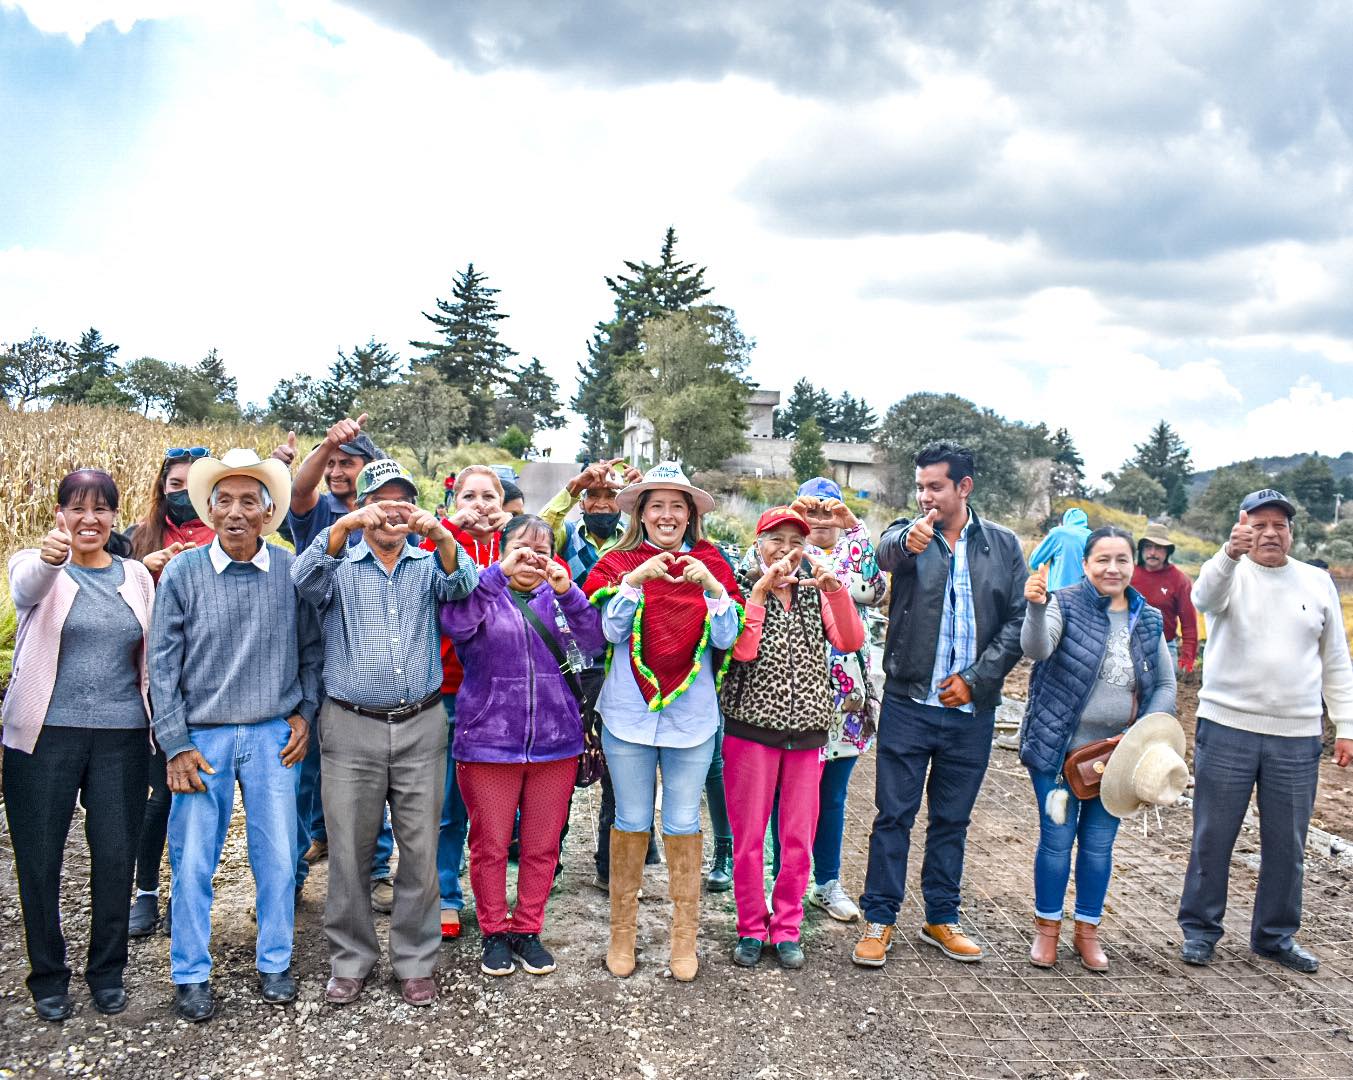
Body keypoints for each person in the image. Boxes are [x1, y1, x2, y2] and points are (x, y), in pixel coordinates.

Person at [292, 458, 478, 1008]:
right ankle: (350, 960)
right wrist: (345, 527)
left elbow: (463, 582)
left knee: (418, 850)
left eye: (402, 500)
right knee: (348, 849)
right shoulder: (338, 562)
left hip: (421, 723)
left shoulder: (426, 566)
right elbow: (302, 580)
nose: (391, 510)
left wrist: (441, 531)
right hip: (350, 726)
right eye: (381, 499)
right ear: (362, 504)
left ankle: (416, 962)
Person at [149, 449, 322, 1022]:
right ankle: (191, 974)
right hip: (204, 738)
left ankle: (275, 962)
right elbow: (162, 665)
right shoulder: (183, 572)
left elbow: (312, 651)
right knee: (194, 860)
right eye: (224, 500)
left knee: (277, 858)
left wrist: (305, 712)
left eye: (250, 500)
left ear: (269, 511)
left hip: (273, 734)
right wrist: (175, 742)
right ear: (210, 508)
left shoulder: (291, 570)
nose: (236, 512)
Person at [854, 442, 1027, 968]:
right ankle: (879, 919)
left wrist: (976, 680)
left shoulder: (1003, 546)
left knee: (952, 820)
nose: (925, 496)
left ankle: (940, 918)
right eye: (920, 486)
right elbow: (881, 553)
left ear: (963, 488)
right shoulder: (910, 537)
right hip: (910, 702)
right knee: (893, 817)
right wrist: (908, 540)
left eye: (935, 487)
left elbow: (1018, 621)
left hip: (970, 712)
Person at [1177, 489, 1353, 974]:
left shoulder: (1316, 582)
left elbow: (1335, 659)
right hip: (1228, 725)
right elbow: (1202, 598)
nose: (1270, 533)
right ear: (1243, 528)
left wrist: (1346, 725)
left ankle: (1275, 936)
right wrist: (1228, 553)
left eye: (1279, 524)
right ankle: (1200, 930)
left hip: (1296, 735)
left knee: (1287, 842)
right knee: (1213, 834)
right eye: (1259, 524)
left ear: (1291, 532)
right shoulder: (1229, 572)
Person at [582, 462, 744, 982]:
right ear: (642, 514)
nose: (668, 515)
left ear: (691, 514)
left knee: (681, 822)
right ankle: (622, 934)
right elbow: (605, 632)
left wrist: (714, 590)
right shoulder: (619, 561)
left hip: (691, 716)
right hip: (628, 713)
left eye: (678, 506)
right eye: (658, 506)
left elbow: (726, 642)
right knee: (630, 819)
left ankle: (683, 939)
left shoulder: (712, 562)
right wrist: (631, 583)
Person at [3, 470, 155, 1021]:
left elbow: (153, 652)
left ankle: (107, 972)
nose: (88, 518)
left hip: (122, 735)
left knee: (115, 856)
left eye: (100, 509)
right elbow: (27, 590)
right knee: (39, 860)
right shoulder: (33, 563)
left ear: (116, 516)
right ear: (61, 512)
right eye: (76, 507)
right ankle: (47, 975)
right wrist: (48, 559)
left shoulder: (136, 576)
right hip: (44, 735)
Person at [440, 515, 605, 976]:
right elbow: (455, 622)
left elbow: (594, 641)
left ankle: (528, 928)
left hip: (557, 744)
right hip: (489, 744)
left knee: (541, 845)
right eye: (519, 547)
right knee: (489, 844)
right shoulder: (481, 593)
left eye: (541, 549)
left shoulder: (562, 600)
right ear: (501, 548)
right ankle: (493, 931)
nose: (530, 557)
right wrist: (496, 575)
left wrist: (568, 590)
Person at [1019, 527, 1177, 971]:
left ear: (1133, 564)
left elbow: (1165, 685)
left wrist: (1142, 734)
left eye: (1121, 559)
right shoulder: (1063, 603)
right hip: (1058, 755)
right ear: (1086, 564)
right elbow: (1036, 648)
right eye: (1103, 559)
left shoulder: (1146, 619)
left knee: (1098, 846)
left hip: (1116, 761)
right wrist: (1035, 607)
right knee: (1057, 839)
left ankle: (1087, 931)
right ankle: (1046, 929)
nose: (1113, 568)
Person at [721, 507, 865, 969]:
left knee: (797, 837)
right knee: (748, 839)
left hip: (807, 734)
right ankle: (749, 926)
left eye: (795, 542)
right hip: (750, 732)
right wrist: (760, 594)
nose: (785, 550)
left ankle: (786, 927)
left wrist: (835, 589)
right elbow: (741, 651)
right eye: (775, 540)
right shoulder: (739, 587)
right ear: (758, 543)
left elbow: (849, 640)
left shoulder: (813, 592)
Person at [283, 414, 396, 909]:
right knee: (309, 766)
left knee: (376, 773)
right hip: (318, 658)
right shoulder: (321, 515)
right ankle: (312, 847)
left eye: (346, 463)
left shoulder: (392, 514)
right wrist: (326, 442)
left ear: (369, 470)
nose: (336, 471)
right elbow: (298, 493)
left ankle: (375, 866)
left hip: (371, 665)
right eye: (331, 464)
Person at [776, 476, 888, 923]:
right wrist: (791, 521)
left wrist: (854, 525)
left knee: (833, 796)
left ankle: (827, 881)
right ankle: (782, 882)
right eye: (813, 511)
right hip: (791, 693)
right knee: (786, 795)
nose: (821, 519)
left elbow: (874, 588)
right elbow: (765, 566)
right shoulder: (787, 552)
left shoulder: (851, 555)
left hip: (847, 698)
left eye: (830, 511)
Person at [539, 457, 651, 889]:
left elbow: (677, 533)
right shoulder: (566, 538)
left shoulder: (632, 542)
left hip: (624, 666)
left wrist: (642, 496)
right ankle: (547, 863)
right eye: (594, 496)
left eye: (611, 497)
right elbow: (541, 527)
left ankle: (611, 867)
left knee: (619, 771)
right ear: (583, 502)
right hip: (570, 667)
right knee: (562, 766)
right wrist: (571, 487)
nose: (602, 504)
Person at [125, 447, 218, 938]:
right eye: (174, 484)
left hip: (205, 683)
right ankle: (145, 891)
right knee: (157, 793)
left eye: (191, 485)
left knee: (199, 794)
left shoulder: (222, 536)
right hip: (146, 681)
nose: (182, 493)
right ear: (162, 488)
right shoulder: (136, 540)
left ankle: (195, 892)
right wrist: (142, 568)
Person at [420, 464, 514, 940]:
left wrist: (513, 533)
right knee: (446, 804)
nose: (480, 504)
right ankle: (445, 895)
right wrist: (452, 532)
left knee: (494, 807)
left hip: (503, 694)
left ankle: (493, 897)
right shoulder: (434, 545)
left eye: (489, 497)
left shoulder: (514, 543)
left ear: (504, 504)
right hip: (449, 689)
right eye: (469, 496)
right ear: (453, 503)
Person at [1131, 522, 1198, 674]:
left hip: (1165, 648)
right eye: (1148, 547)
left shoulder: (1180, 580)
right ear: (1141, 550)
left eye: (1159, 548)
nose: (1152, 552)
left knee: (1162, 695)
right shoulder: (1128, 574)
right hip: (1129, 645)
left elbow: (1189, 623)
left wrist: (1187, 658)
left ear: (1167, 552)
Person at [1029, 507, 1091, 591]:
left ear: (1063, 521)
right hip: (1087, 596)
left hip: (1059, 595)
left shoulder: (1059, 533)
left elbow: (1034, 562)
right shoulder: (1093, 536)